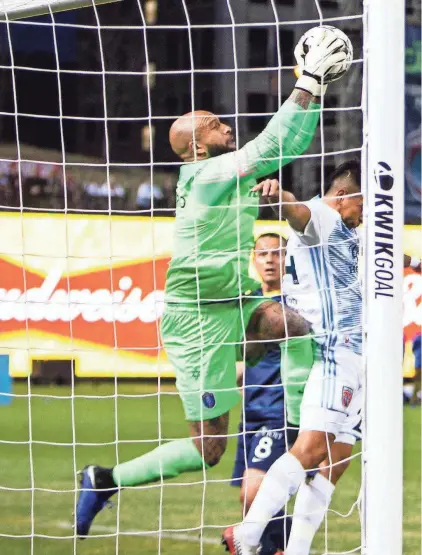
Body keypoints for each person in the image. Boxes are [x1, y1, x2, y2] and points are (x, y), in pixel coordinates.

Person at [75, 27, 349, 538]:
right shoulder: (207, 174)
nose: (226, 126)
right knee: (210, 449)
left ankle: (295, 439)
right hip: (197, 319)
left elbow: (284, 147)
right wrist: (309, 81)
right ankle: (103, 479)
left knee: (291, 325)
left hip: (231, 302)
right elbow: (275, 144)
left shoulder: (224, 173)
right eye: (216, 124)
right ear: (198, 145)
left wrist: (316, 90)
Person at [232, 162, 422, 555]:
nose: (367, 214)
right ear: (343, 197)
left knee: (336, 460)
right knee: (313, 449)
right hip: (331, 350)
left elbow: (386, 250)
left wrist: (416, 264)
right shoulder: (322, 216)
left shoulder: (353, 230)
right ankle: (246, 535)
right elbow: (297, 209)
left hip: (356, 357)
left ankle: (297, 550)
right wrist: (277, 196)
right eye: (364, 205)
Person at [222, 233, 314, 555]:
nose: (270, 260)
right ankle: (283, 547)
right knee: (250, 506)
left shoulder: (296, 302)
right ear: (254, 259)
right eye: (263, 254)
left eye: (277, 253)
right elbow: (240, 364)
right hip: (251, 413)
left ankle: (286, 545)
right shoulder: (246, 304)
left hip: (279, 412)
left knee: (254, 493)